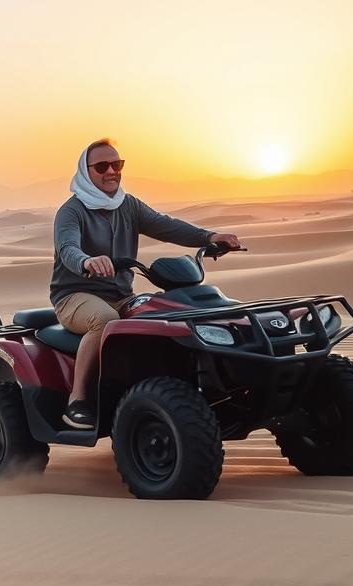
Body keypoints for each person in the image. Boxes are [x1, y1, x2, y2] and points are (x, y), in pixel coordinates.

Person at [51, 139, 242, 430]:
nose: (112, 171)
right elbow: (67, 248)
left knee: (163, 313)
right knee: (105, 320)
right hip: (75, 295)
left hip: (121, 294)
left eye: (118, 165)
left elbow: (166, 225)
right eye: (102, 166)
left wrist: (209, 237)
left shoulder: (128, 205)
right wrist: (86, 261)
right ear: (86, 171)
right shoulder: (72, 211)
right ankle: (78, 401)